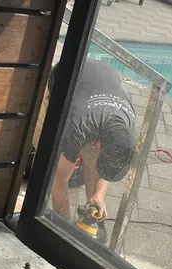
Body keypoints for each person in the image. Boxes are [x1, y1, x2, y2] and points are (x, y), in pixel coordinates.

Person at [49, 58, 137, 239]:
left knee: (97, 160)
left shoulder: (128, 127)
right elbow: (58, 182)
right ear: (98, 144)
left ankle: (93, 203)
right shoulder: (79, 126)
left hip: (104, 73)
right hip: (65, 72)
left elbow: (111, 163)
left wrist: (99, 194)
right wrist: (65, 229)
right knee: (82, 159)